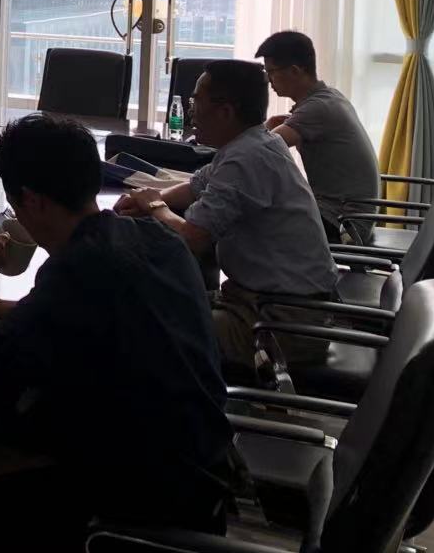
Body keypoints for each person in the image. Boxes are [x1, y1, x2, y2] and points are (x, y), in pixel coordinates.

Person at [0, 114, 232, 551]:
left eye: (15, 205)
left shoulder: (78, 269)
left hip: (150, 494)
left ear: (32, 200)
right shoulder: (154, 238)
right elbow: (90, 312)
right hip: (204, 467)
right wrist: (2, 309)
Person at [115, 60, 338, 381]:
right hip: (266, 306)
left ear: (225, 112)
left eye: (196, 102)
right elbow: (196, 185)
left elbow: (193, 238)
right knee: (155, 299)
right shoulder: (256, 143)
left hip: (279, 327)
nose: (191, 113)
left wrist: (154, 206)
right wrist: (149, 197)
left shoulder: (246, 159)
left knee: (142, 326)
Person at [256, 29, 379, 243]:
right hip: (347, 215)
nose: (268, 80)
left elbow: (259, 151)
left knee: (247, 224)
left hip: (343, 224)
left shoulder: (317, 108)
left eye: (272, 72)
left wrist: (265, 127)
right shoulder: (330, 97)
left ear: (294, 71)